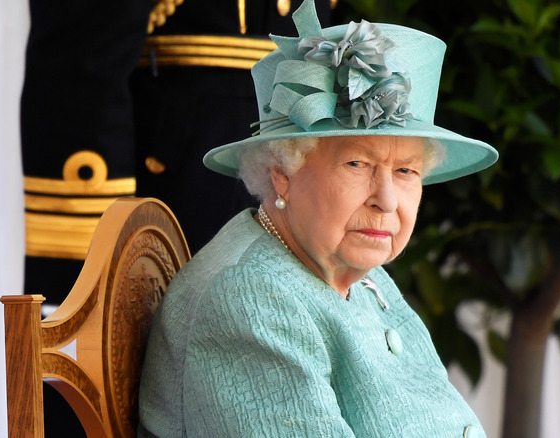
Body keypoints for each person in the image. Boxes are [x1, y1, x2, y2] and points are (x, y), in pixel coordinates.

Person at [137, 0, 498, 436]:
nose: (386, 201)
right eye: (357, 165)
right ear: (282, 175)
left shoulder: (354, 268)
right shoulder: (249, 300)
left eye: (406, 171)